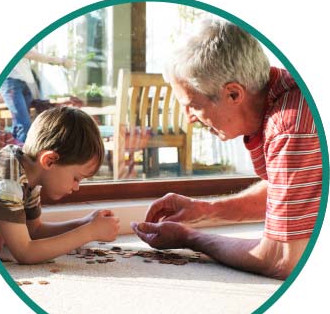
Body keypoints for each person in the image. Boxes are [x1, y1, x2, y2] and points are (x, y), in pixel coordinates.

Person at [131, 17, 322, 280]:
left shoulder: (290, 127)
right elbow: (292, 190)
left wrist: (191, 238)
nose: (189, 118)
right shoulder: (282, 93)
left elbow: (283, 261)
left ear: (233, 94)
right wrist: (206, 210)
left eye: (193, 105)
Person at [0, 106, 120, 264]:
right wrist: (89, 233)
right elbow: (25, 253)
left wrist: (85, 223)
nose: (76, 187)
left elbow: (35, 230)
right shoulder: (7, 178)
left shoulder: (28, 176)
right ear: (49, 161)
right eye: (76, 178)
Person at [0, 49, 72, 143]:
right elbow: (30, 54)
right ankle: (24, 155)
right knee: (24, 124)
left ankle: (16, 152)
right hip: (10, 81)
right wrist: (60, 61)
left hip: (25, 82)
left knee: (21, 124)